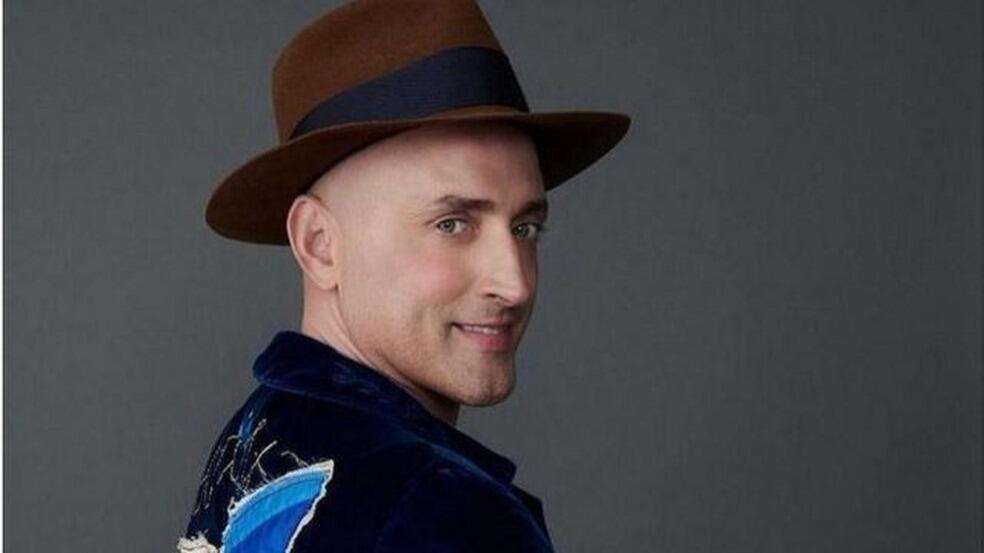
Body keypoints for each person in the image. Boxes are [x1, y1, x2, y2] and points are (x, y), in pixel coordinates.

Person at [177, 0, 630, 551]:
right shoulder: (446, 509)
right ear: (319, 243)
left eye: (525, 228)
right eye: (452, 224)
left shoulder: (260, 434)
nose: (514, 285)